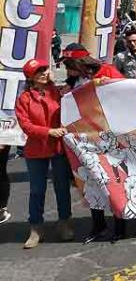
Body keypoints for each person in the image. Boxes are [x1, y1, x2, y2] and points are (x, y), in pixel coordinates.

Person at [60, 43, 125, 243]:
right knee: (91, 183)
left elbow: (127, 96)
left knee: (113, 181)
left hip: (109, 137)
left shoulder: (107, 71)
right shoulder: (73, 81)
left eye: (68, 63)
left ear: (80, 62)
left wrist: (110, 87)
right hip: (83, 140)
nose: (66, 68)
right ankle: (98, 225)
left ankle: (120, 226)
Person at [15, 59, 73, 249]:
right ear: (30, 77)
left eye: (44, 69)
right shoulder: (24, 99)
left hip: (58, 147)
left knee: (62, 187)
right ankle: (35, 229)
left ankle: (64, 222)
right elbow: (26, 126)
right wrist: (49, 131)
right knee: (37, 190)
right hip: (36, 150)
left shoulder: (58, 92)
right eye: (37, 71)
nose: (43, 73)